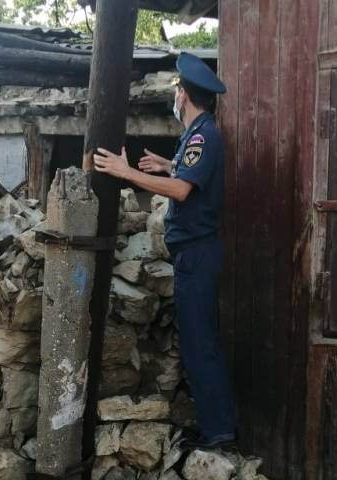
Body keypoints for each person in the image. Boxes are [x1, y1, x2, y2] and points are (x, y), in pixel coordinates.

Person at [93, 52, 236, 449]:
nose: (174, 95)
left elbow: (184, 191)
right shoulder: (197, 135)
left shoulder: (204, 135)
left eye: (176, 89)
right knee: (197, 340)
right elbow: (187, 175)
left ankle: (218, 432)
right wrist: (168, 164)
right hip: (194, 253)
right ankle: (216, 426)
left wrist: (126, 173)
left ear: (184, 95)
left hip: (197, 253)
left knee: (199, 342)